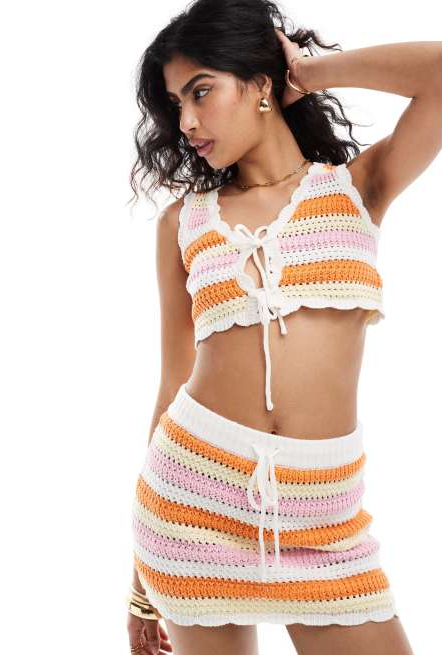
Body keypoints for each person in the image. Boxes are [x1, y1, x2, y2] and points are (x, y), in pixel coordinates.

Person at [125, 0, 441, 652]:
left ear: (261, 83)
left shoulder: (356, 188)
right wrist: (138, 582)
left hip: (324, 522)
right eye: (176, 104)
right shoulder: (184, 222)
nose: (186, 121)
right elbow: (172, 380)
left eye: (201, 92)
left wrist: (313, 73)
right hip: (191, 508)